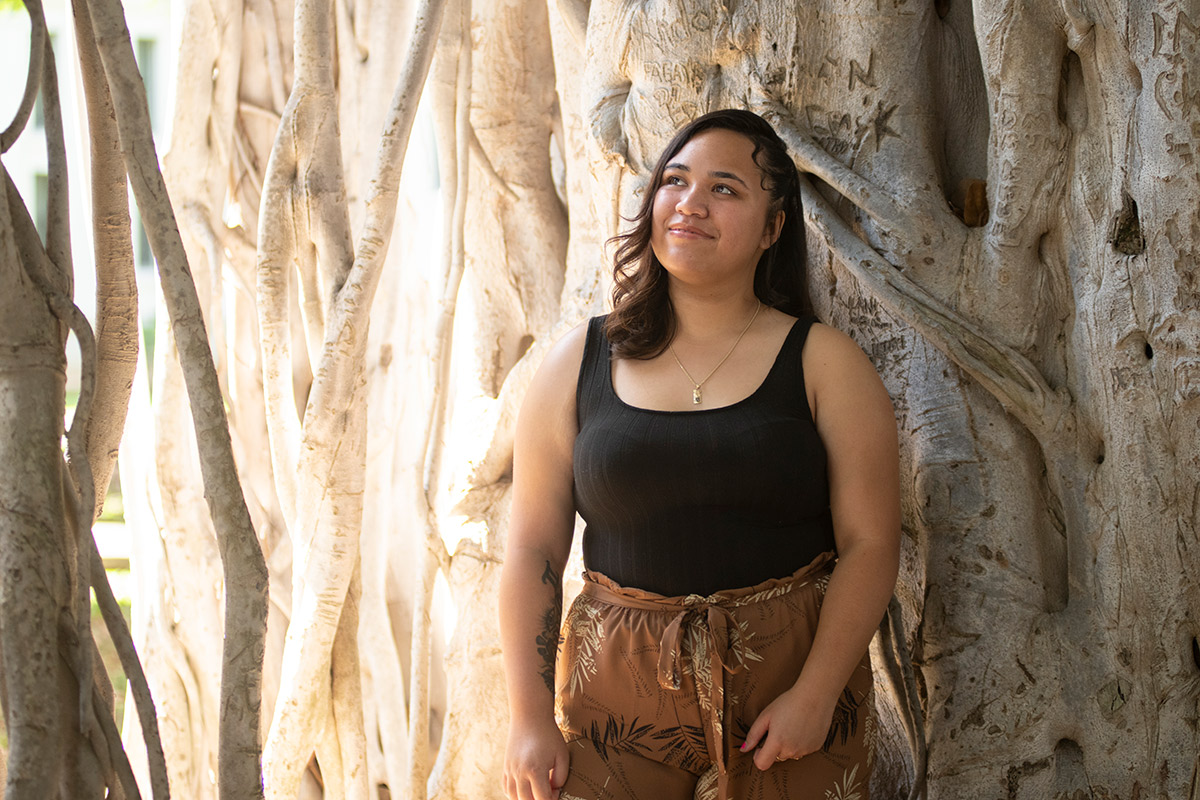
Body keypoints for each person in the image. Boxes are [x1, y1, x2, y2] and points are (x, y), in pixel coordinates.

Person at [500, 109, 900, 800]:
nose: (690, 203)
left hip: (788, 690)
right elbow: (533, 549)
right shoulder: (579, 360)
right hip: (615, 702)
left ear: (773, 228)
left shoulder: (825, 364)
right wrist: (530, 718)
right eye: (675, 181)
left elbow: (871, 543)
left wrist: (817, 694)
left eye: (725, 188)